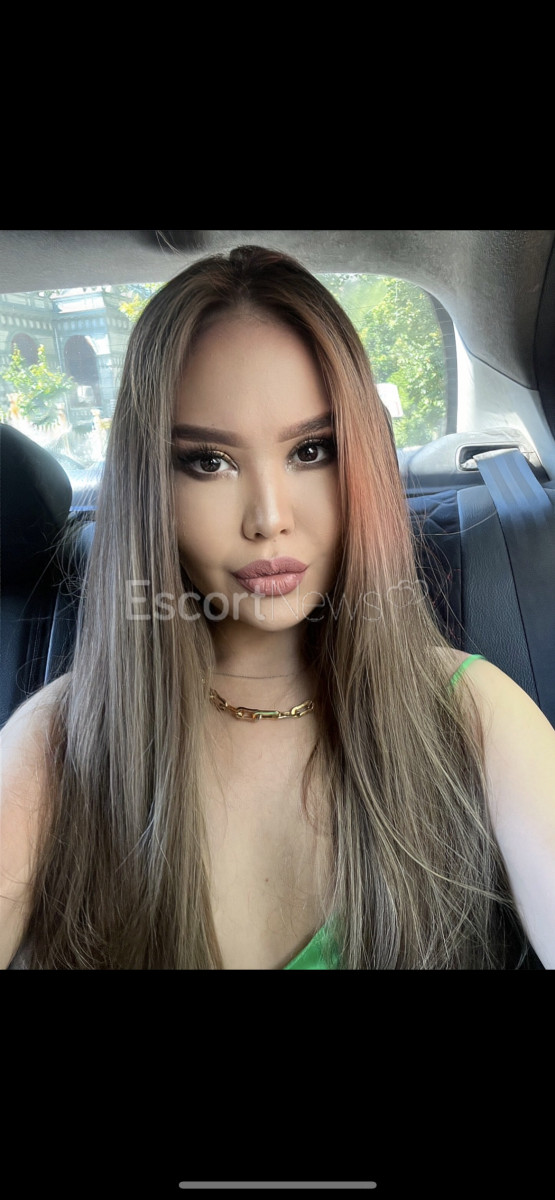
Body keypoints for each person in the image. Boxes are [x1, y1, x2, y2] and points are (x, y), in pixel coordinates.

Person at [1, 244, 554, 970]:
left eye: (312, 450)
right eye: (209, 461)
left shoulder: (472, 715)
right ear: (150, 489)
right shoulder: (60, 742)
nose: (269, 518)